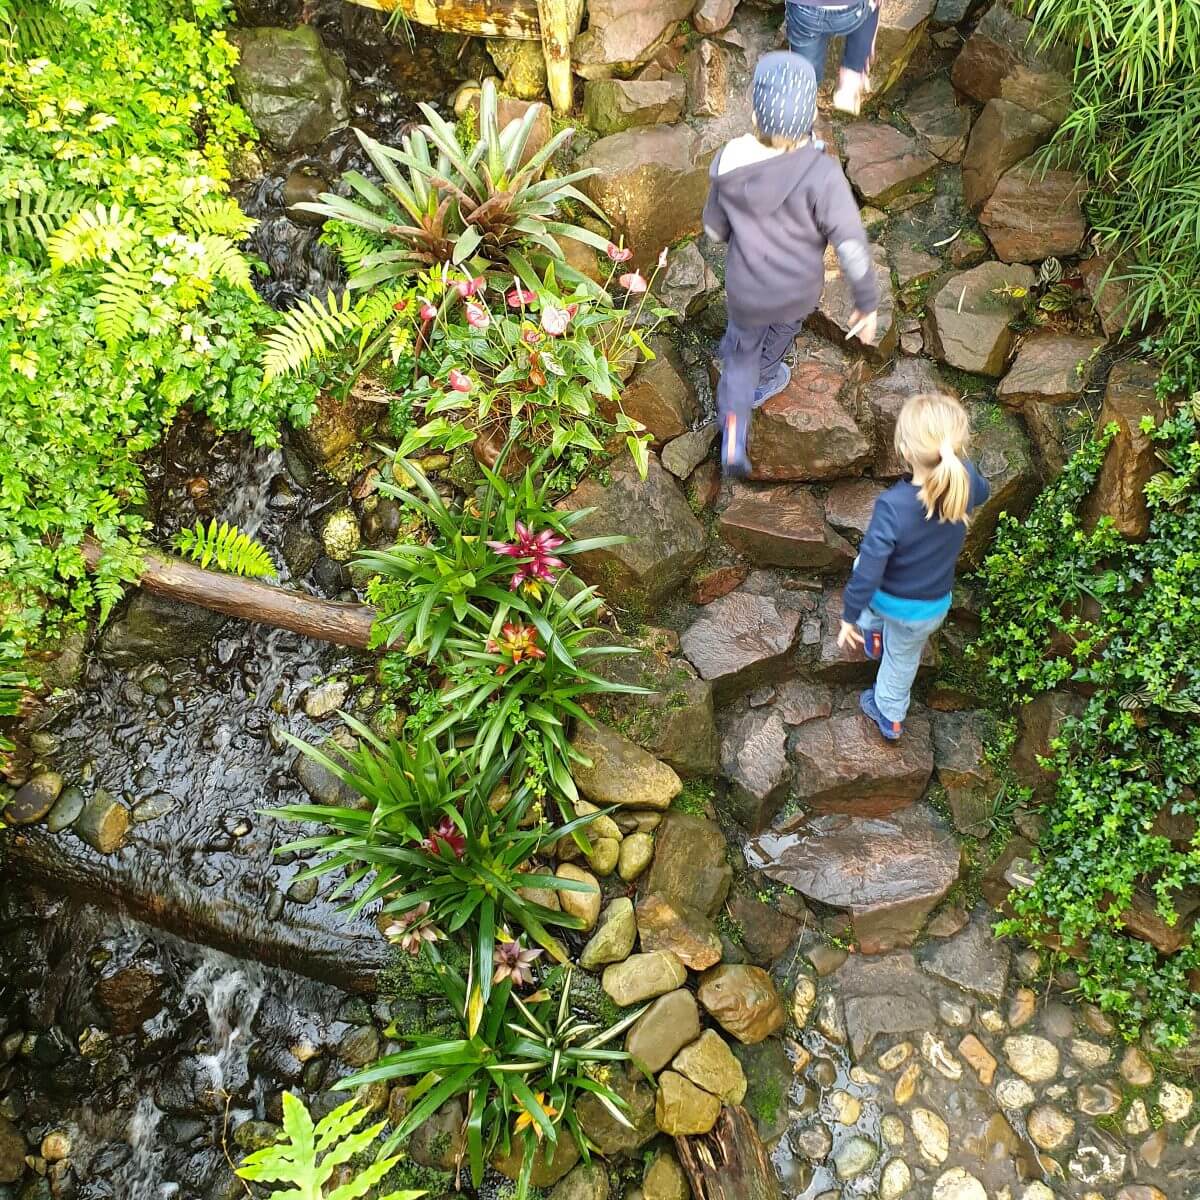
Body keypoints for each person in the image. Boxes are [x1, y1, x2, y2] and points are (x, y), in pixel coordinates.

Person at [702, 50, 878, 477]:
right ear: (808, 121)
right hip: (796, 291)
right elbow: (851, 243)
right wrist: (866, 302)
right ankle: (765, 378)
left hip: (747, 286)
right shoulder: (823, 175)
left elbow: (713, 228)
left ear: (757, 115)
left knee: (742, 345)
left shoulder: (728, 159)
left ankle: (733, 425)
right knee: (779, 336)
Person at [837, 393, 990, 740]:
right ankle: (890, 716)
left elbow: (870, 570)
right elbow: (984, 492)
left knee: (864, 562)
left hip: (886, 599)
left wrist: (851, 614)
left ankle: (870, 632)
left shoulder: (893, 506)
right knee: (903, 658)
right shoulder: (965, 479)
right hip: (929, 608)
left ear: (905, 452)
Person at [785, 0, 880, 115]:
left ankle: (802, 97)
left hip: (805, 11)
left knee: (804, 51)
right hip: (851, 11)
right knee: (872, 7)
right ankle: (851, 76)